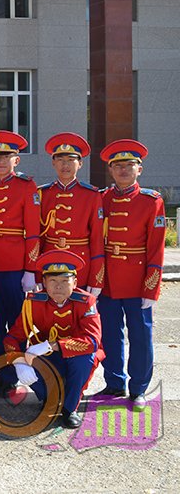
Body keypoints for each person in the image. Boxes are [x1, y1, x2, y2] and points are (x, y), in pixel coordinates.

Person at [97, 139, 165, 409]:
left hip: (138, 281)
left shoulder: (151, 201)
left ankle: (138, 389)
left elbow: (156, 248)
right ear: (110, 170)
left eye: (129, 165)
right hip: (108, 280)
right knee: (109, 334)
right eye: (118, 166)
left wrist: (151, 287)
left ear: (140, 169)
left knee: (140, 336)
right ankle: (114, 382)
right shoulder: (102, 198)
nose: (123, 170)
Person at [5, 250, 102, 428]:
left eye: (65, 281)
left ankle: (70, 409)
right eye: (53, 281)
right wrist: (18, 362)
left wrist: (53, 345)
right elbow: (12, 338)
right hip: (47, 356)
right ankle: (49, 399)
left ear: (75, 283)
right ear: (44, 283)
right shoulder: (33, 302)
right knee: (28, 361)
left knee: (84, 359)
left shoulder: (86, 302)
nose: (58, 287)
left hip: (74, 354)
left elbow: (92, 341)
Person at [0, 131, 41, 390]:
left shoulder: (26, 186)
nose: (1, 161)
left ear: (17, 160)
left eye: (7, 156)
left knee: (16, 324)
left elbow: (34, 231)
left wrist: (30, 269)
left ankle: (14, 375)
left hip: (15, 266)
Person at [38, 133, 105, 293]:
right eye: (60, 160)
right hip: (49, 261)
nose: (65, 165)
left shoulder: (91, 195)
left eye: (70, 160)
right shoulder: (43, 193)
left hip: (81, 263)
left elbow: (97, 238)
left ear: (80, 163)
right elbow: (37, 236)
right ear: (53, 163)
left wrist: (96, 279)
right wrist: (36, 274)